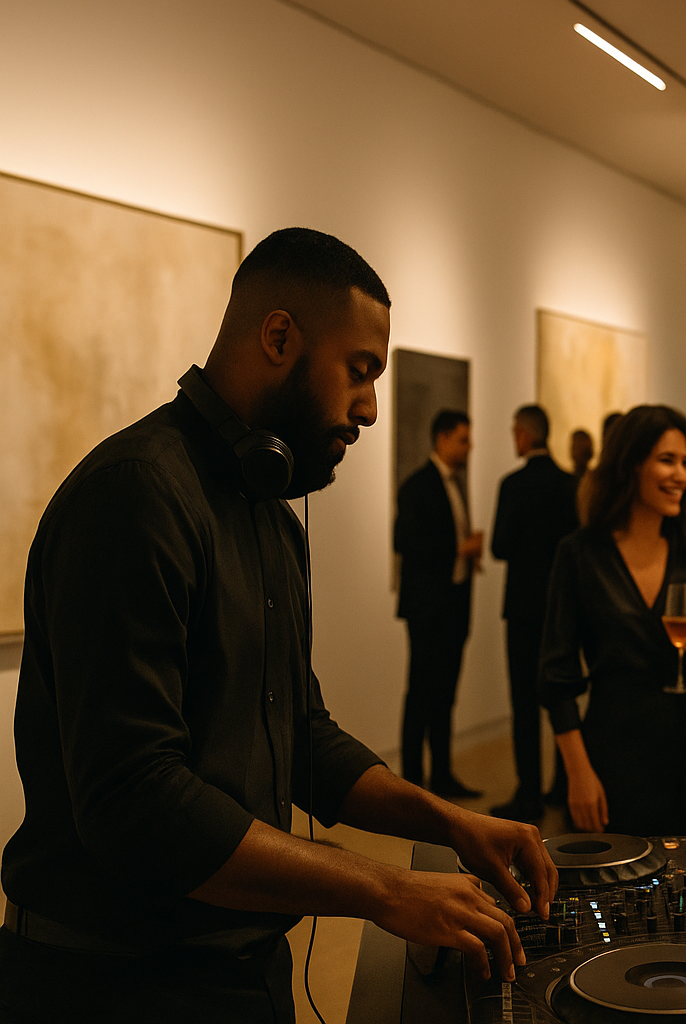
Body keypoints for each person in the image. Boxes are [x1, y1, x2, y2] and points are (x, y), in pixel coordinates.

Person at [0, 228, 556, 1022]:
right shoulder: (136, 495)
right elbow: (137, 802)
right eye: (359, 371)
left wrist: (450, 823)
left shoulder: (274, 519)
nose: (370, 408)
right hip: (113, 986)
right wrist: (384, 888)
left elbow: (300, 735)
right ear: (279, 337)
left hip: (241, 973)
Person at [539, 406, 686, 836]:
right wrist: (578, 773)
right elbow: (556, 678)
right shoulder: (580, 554)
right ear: (631, 464)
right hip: (611, 751)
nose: (681, 475)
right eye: (667, 460)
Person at [488, 405, 579, 822]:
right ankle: (564, 784)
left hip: (524, 609)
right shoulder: (570, 485)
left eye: (515, 431)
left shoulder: (513, 484)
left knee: (524, 705)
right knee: (562, 695)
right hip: (562, 611)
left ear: (525, 434)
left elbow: (500, 546)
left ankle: (529, 795)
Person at [395, 409, 483, 797]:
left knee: (446, 695)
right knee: (421, 694)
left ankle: (443, 775)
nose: (469, 447)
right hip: (428, 608)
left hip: (454, 606)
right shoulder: (417, 486)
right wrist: (461, 548)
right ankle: (413, 781)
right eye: (463, 439)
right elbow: (407, 543)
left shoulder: (454, 484)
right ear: (442, 439)